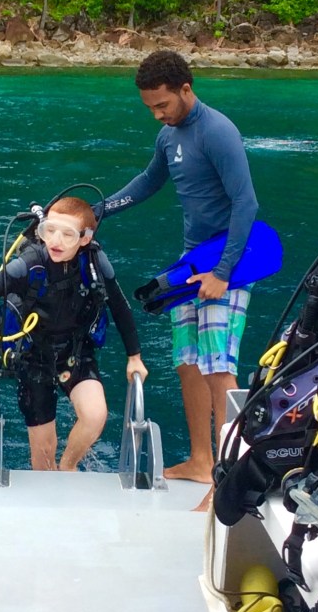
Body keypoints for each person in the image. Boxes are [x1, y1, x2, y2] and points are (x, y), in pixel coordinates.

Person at [102, 50, 258, 488]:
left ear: (185, 90)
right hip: (190, 264)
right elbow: (149, 181)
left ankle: (231, 477)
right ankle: (201, 461)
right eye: (150, 107)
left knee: (218, 366)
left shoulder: (217, 131)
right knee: (188, 363)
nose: (157, 114)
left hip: (228, 264)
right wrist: (100, 211)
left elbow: (247, 203)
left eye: (162, 105)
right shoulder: (169, 137)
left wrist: (223, 272)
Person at [0, 196, 148, 471]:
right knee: (43, 453)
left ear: (85, 239)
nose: (56, 240)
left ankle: (68, 466)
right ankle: (51, 477)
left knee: (95, 415)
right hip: (33, 358)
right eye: (49, 230)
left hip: (75, 353)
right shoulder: (33, 261)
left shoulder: (95, 263)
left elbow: (121, 307)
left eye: (68, 234)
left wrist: (134, 356)